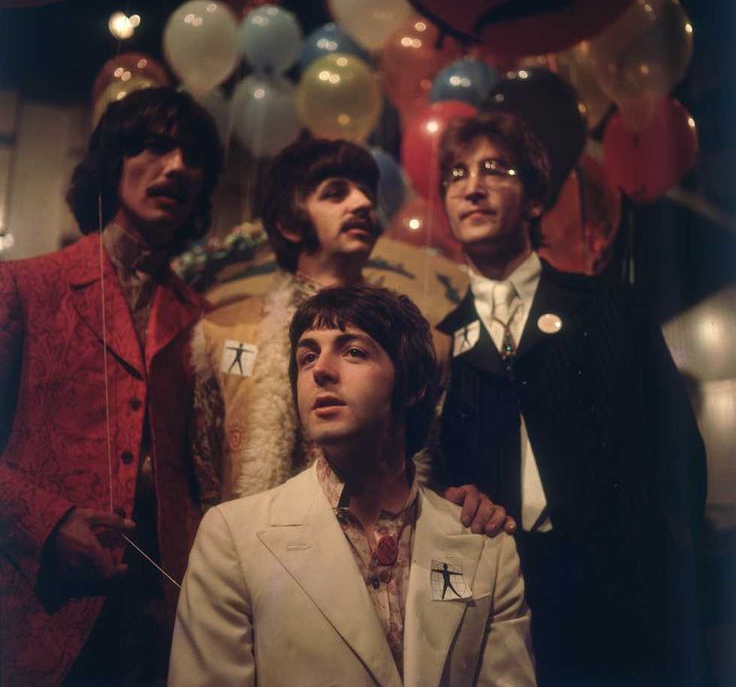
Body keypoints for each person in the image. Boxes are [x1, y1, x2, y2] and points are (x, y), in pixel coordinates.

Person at [434, 111, 708, 685]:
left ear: (535, 199)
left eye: (494, 169)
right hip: (504, 603)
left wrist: (673, 560)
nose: (472, 186)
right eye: (456, 174)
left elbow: (678, 448)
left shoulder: (609, 306)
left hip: (629, 597)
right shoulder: (438, 344)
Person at [170, 286, 536, 687]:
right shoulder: (234, 538)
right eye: (307, 356)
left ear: (413, 386)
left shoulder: (485, 543)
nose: (320, 370)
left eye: (354, 351)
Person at [0, 87, 222, 686]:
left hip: (159, 623)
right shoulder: (25, 287)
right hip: (34, 609)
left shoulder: (205, 320)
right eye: (154, 146)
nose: (176, 166)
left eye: (192, 156)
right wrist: (47, 524)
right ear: (113, 161)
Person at [191, 138, 512, 538]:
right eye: (335, 193)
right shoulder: (222, 333)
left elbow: (441, 470)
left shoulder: (427, 340)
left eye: (366, 192)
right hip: (257, 561)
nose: (362, 203)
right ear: (289, 224)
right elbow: (201, 480)